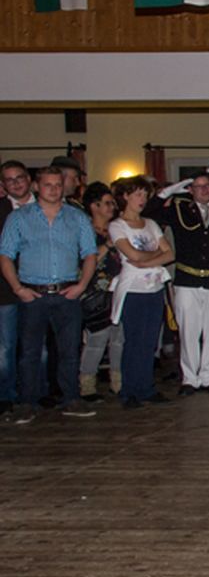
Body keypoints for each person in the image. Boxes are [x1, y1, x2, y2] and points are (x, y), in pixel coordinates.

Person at [0, 166, 98, 424]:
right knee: (30, 352)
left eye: (58, 184)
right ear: (36, 186)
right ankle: (27, 403)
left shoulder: (77, 217)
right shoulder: (19, 218)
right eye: (48, 185)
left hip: (67, 293)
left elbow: (90, 253)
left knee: (69, 351)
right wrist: (18, 289)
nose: (53, 190)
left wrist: (82, 285)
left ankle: (71, 398)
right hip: (34, 294)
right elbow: (5, 255)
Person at [149, 171, 209, 394]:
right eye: (198, 186)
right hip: (187, 279)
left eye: (207, 186)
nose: (204, 190)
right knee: (189, 331)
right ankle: (189, 378)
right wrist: (168, 192)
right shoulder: (180, 210)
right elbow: (149, 212)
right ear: (190, 190)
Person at [108, 176, 173, 409]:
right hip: (133, 290)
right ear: (125, 196)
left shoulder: (150, 224)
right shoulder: (117, 225)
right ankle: (129, 390)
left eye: (145, 195)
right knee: (134, 340)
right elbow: (132, 254)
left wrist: (146, 262)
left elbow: (169, 253)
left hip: (153, 287)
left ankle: (146, 387)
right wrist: (154, 255)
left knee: (149, 341)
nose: (142, 199)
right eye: (138, 194)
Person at [78, 182, 123, 401]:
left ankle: (118, 382)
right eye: (107, 203)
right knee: (97, 338)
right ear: (94, 206)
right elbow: (84, 262)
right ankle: (87, 385)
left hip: (118, 290)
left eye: (112, 203)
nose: (112, 207)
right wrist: (107, 246)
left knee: (119, 338)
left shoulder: (117, 228)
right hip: (95, 292)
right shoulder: (84, 230)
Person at [0, 161, 35, 415]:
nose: (16, 183)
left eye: (19, 178)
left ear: (28, 179)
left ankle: (37, 392)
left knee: (38, 346)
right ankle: (6, 395)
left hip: (40, 285)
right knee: (6, 346)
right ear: (3, 185)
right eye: (9, 180)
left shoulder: (46, 206)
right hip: (4, 290)